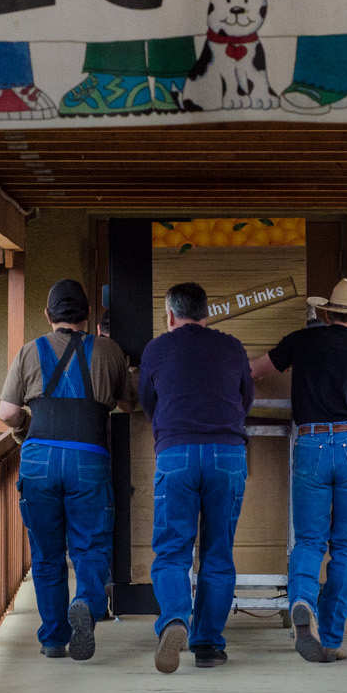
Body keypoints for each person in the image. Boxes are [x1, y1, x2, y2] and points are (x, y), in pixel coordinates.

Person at [0, 279, 136, 660]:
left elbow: (7, 412)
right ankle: (87, 607)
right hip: (88, 456)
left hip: (39, 457)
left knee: (46, 553)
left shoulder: (30, 351)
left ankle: (53, 638)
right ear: (88, 315)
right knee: (90, 547)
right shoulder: (108, 350)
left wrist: (27, 430)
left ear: (48, 315)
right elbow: (128, 404)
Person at [251, 279, 347, 663]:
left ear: (326, 313)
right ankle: (329, 639)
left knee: (309, 541)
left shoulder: (301, 341)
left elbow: (254, 371)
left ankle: (301, 601)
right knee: (345, 547)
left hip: (310, 443)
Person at [139, 283, 254, 673]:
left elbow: (147, 402)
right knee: (217, 553)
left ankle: (174, 619)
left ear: (170, 315)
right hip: (227, 454)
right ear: (208, 313)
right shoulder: (232, 347)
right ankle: (208, 645)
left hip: (175, 454)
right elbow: (246, 398)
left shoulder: (156, 349)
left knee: (172, 551)